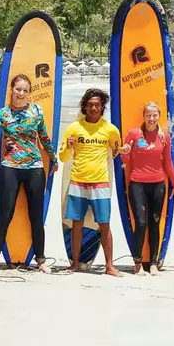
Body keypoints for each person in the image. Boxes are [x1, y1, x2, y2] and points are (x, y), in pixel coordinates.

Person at [0, 74, 56, 274]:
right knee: (5, 214)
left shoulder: (36, 110)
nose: (21, 93)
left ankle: (41, 260)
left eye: (25, 90)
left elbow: (44, 137)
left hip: (34, 168)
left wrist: (53, 158)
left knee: (36, 216)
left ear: (29, 93)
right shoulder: (2, 114)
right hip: (10, 167)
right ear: (11, 90)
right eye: (18, 89)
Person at [59, 88, 126, 276]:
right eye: (90, 105)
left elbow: (115, 153)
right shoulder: (74, 128)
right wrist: (69, 147)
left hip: (101, 183)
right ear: (84, 107)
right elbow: (63, 157)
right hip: (77, 182)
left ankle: (110, 266)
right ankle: (74, 264)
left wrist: (124, 152)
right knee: (76, 223)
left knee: (104, 224)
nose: (93, 108)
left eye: (97, 105)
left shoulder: (111, 130)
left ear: (102, 106)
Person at [121, 101, 174, 275]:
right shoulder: (134, 134)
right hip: (137, 183)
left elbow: (168, 162)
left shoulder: (164, 137)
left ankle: (153, 262)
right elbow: (125, 161)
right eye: (148, 115)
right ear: (144, 116)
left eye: (154, 115)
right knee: (140, 223)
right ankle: (137, 261)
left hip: (158, 185)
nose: (151, 118)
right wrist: (124, 153)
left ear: (159, 116)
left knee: (154, 223)